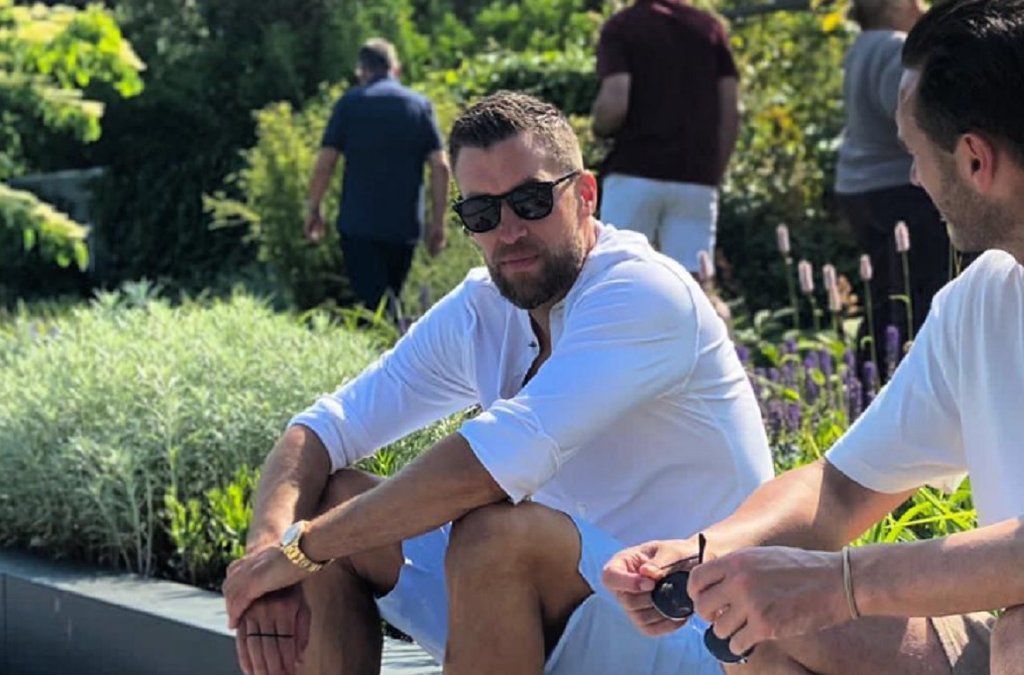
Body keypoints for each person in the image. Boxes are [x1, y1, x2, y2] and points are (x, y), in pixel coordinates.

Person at [604, 2, 1024, 673]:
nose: (913, 176)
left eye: (914, 153)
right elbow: (840, 491)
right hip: (1023, 642)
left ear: (975, 160)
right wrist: (710, 552)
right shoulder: (984, 298)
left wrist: (845, 583)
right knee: (763, 619)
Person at [221, 91, 774, 675]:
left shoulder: (642, 293)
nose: (509, 232)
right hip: (571, 606)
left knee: (496, 535)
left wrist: (301, 551)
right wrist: (267, 560)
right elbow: (322, 429)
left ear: (586, 195)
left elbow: (488, 464)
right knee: (334, 501)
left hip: (699, 633)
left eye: (531, 201)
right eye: (483, 213)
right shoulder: (482, 309)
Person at [836, 0, 951, 369]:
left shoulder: (862, 46)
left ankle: (868, 375)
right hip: (897, 188)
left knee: (884, 294)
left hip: (858, 187)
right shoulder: (896, 48)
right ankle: (905, 371)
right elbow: (910, 118)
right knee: (917, 293)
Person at [590, 0, 740, 276]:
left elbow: (615, 103)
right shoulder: (709, 29)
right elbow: (730, 110)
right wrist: (713, 171)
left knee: (618, 276)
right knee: (692, 283)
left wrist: (598, 129)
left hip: (633, 172)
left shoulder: (622, 26)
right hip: (695, 176)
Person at [304, 38, 450, 313]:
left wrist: (313, 208)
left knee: (375, 308)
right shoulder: (419, 106)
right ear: (396, 69)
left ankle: (393, 338)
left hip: (359, 225)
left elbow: (325, 164)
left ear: (361, 71)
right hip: (404, 227)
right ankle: (397, 336)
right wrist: (438, 223)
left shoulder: (349, 104)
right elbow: (440, 166)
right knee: (390, 299)